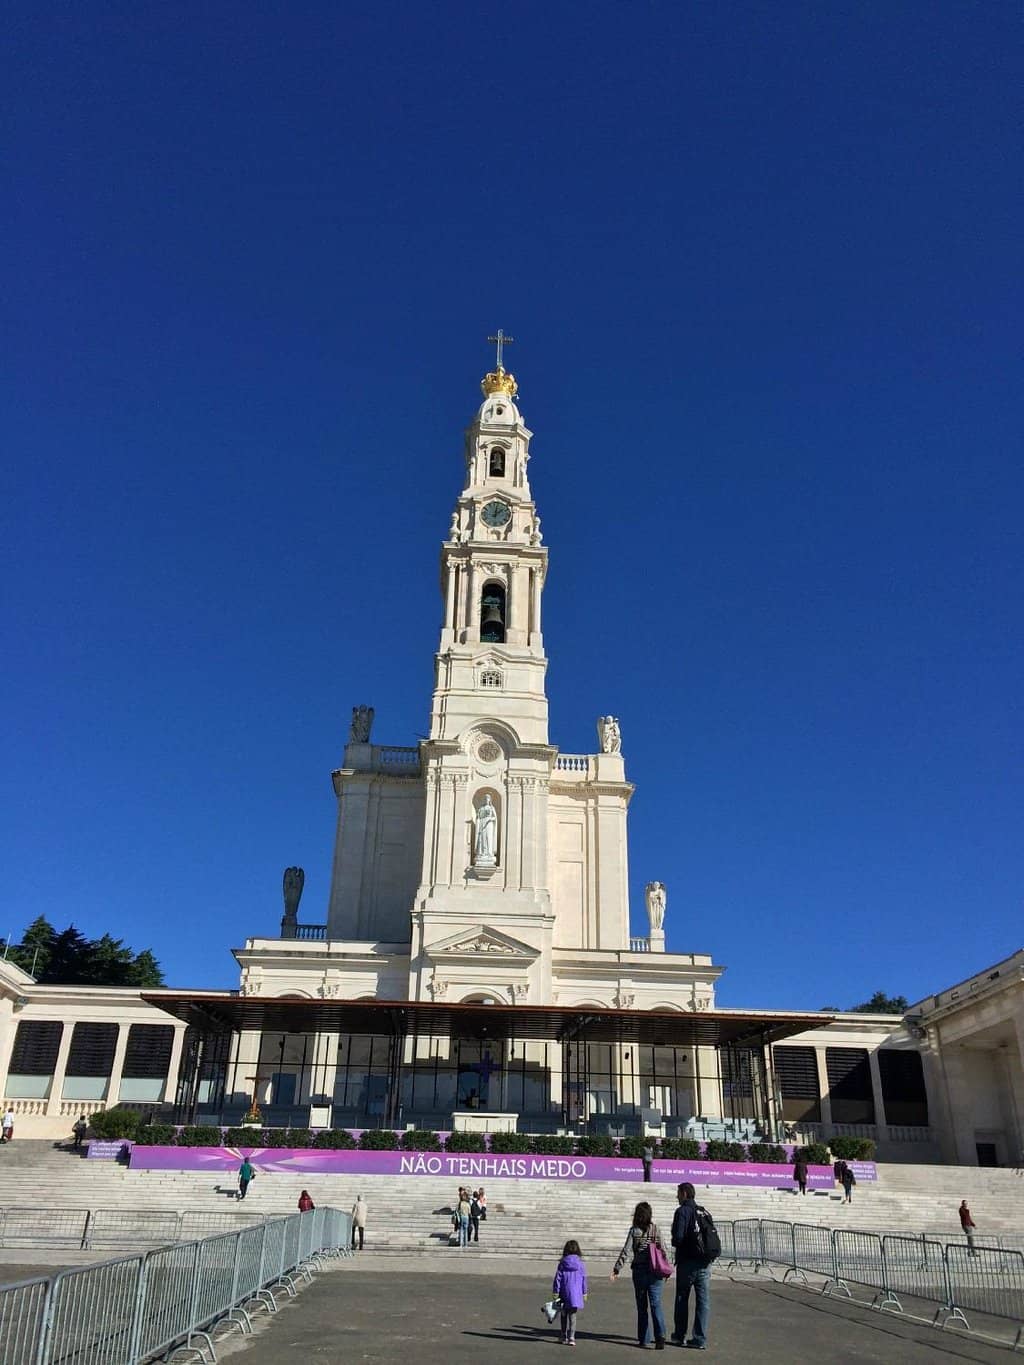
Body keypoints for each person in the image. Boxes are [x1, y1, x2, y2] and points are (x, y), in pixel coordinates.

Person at [611, 1200, 669, 1350]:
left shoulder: (634, 1230)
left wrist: (617, 1268)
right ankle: (660, 1337)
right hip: (656, 1271)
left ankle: (644, 1339)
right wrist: (666, 1268)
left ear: (637, 1215)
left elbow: (626, 1251)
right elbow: (664, 1249)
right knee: (656, 1304)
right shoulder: (656, 1229)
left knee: (642, 1306)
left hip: (640, 1271)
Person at [671, 1181, 711, 1350]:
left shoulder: (682, 1211)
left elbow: (678, 1237)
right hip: (704, 1263)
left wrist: (676, 1241)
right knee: (703, 1301)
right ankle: (699, 1338)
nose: (677, 1197)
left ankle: (680, 1335)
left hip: (687, 1262)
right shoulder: (703, 1211)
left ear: (685, 1194)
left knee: (682, 1298)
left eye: (678, 1193)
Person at [553, 1238, 588, 1347]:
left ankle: (563, 1335)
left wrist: (555, 1291)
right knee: (573, 1316)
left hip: (564, 1293)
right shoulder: (580, 1264)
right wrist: (584, 1292)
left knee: (563, 1315)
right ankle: (572, 1337)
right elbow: (584, 1279)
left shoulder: (562, 1263)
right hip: (576, 1295)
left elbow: (557, 1278)